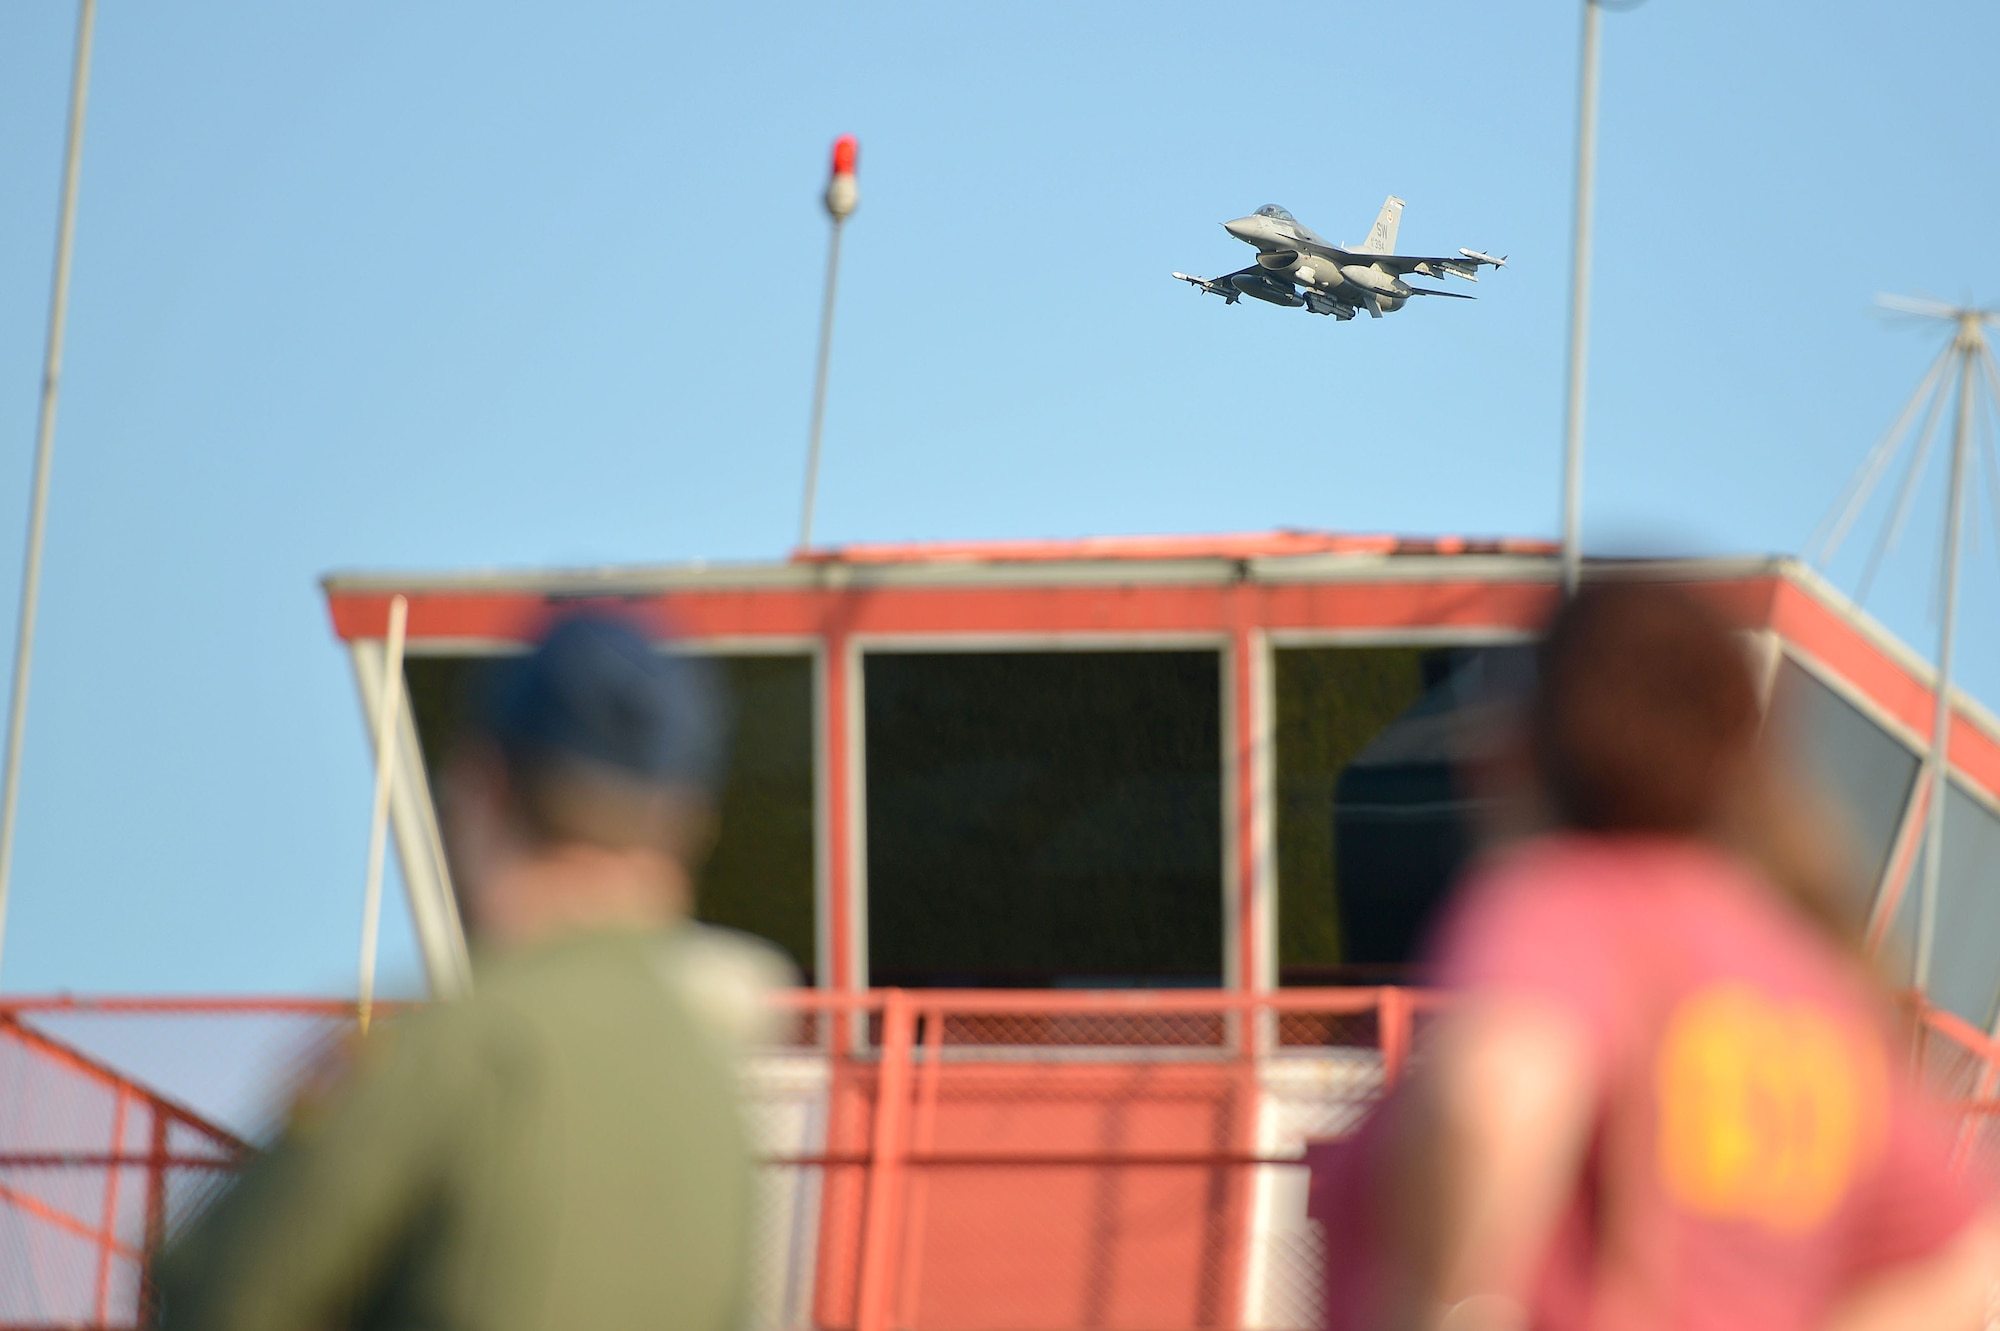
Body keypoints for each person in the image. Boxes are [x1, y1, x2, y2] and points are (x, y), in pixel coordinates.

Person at [1328, 581, 1998, 1331]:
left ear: (1526, 746)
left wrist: (1445, 1307)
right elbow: (1963, 1255)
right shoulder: (1817, 988)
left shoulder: (1568, 901)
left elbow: (1494, 1090)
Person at [155, 613, 755, 1331]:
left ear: (483, 789)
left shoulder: (454, 1047)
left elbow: (215, 1288)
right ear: (683, 824)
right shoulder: (717, 1101)